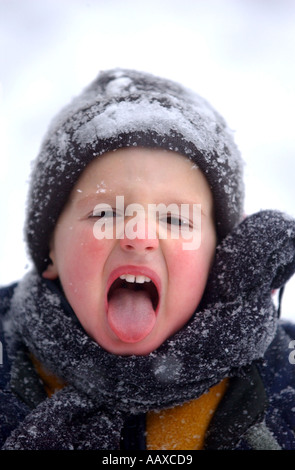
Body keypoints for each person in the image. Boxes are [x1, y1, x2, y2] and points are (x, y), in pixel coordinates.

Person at [1, 68, 295, 450]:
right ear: (50, 249)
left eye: (174, 219)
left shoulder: (282, 377)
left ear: (220, 254)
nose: (139, 237)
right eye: (105, 214)